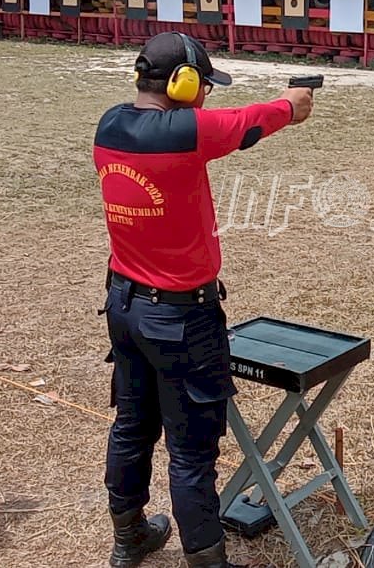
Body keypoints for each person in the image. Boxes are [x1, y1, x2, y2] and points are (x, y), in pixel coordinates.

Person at [93, 31, 314, 568]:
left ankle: (129, 537)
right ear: (182, 82)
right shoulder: (186, 131)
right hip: (180, 317)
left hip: (123, 306)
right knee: (192, 453)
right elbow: (260, 119)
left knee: (131, 426)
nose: (207, 95)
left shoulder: (109, 124)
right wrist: (295, 100)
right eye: (203, 85)